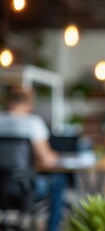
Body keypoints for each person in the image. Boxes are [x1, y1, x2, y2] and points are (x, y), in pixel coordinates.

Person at [0, 86, 67, 231]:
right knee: (58, 180)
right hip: (24, 187)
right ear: (30, 105)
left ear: (9, 102)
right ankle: (53, 228)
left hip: (1, 185)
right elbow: (46, 160)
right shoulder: (32, 123)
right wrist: (55, 155)